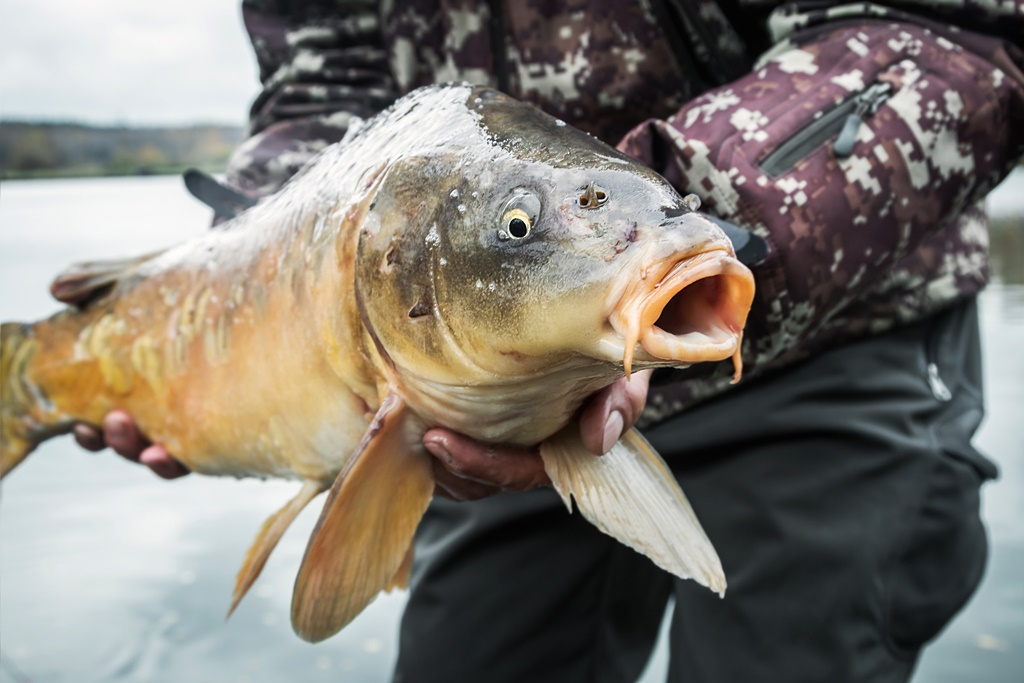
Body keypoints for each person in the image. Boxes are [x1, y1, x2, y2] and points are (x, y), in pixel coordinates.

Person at [71, 1, 1024, 680]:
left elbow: (944, 29)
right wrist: (257, 286)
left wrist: (672, 212)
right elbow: (322, 104)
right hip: (478, 370)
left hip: (830, 330)